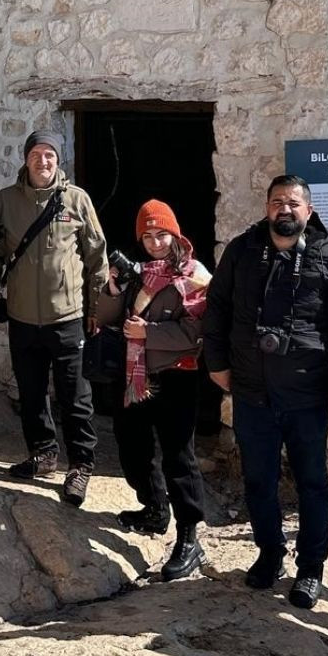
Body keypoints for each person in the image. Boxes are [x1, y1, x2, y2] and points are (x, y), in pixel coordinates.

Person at [202, 175, 328, 609]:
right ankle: (270, 554)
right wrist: (216, 363)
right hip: (252, 392)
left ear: (308, 211)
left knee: (312, 483)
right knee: (259, 481)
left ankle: (311, 568)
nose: (284, 210)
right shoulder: (242, 251)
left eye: (293, 203)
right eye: (276, 202)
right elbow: (217, 307)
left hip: (307, 395)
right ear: (267, 207)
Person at [0, 129, 108, 507]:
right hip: (21, 317)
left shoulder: (76, 200)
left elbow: (97, 257)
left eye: (50, 155)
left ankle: (80, 465)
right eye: (36, 154)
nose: (43, 161)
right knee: (31, 393)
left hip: (67, 317)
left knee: (75, 398)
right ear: (26, 159)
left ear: (58, 160)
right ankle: (44, 453)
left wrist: (97, 309)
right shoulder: (5, 201)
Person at [96, 199, 211, 581]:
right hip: (135, 377)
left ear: (175, 234)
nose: (155, 242)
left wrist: (149, 334)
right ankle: (154, 509)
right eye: (147, 235)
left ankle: (189, 535)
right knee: (132, 447)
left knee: (179, 457)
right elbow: (108, 318)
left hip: (176, 376)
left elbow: (197, 333)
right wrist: (112, 289)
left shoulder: (194, 275)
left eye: (161, 233)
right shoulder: (138, 273)